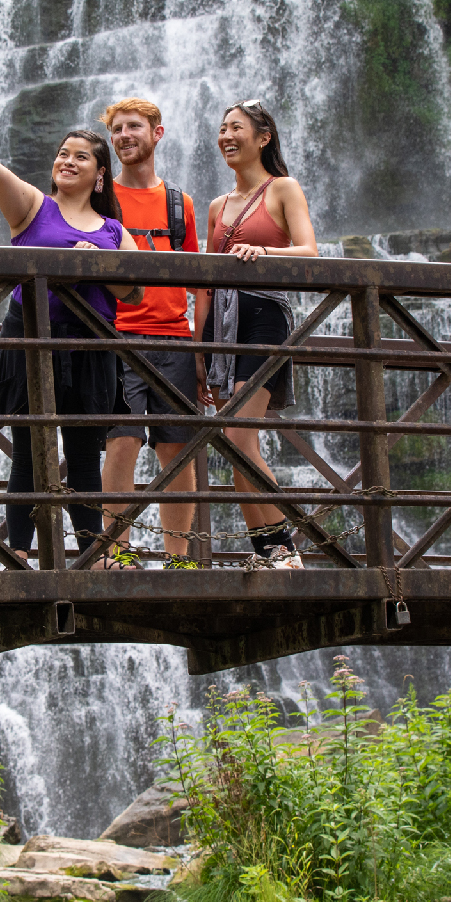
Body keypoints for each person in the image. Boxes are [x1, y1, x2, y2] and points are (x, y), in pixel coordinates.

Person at [0, 103, 142, 565]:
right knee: (30, 451)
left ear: (100, 174)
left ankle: (90, 555)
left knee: (83, 453)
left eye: (80, 156)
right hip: (32, 336)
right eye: (62, 154)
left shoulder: (114, 230)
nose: (67, 161)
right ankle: (18, 555)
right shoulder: (34, 206)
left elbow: (133, 293)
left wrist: (96, 258)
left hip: (91, 343)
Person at [196, 100, 318, 569]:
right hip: (224, 324)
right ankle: (270, 551)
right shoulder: (216, 206)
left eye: (236, 128)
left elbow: (310, 251)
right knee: (234, 442)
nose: (226, 136)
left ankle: (283, 547)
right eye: (222, 129)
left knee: (238, 438)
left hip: (265, 315)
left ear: (263, 137)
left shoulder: (283, 188)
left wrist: (263, 251)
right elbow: (205, 282)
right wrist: (200, 349)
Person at [97, 98, 202, 567]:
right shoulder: (102, 201)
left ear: (157, 134)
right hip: (117, 339)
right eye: (117, 129)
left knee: (176, 451)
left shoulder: (180, 205)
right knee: (121, 442)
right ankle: (117, 550)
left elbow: (201, 280)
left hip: (175, 339)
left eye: (134, 126)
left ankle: (177, 558)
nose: (124, 135)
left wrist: (203, 350)